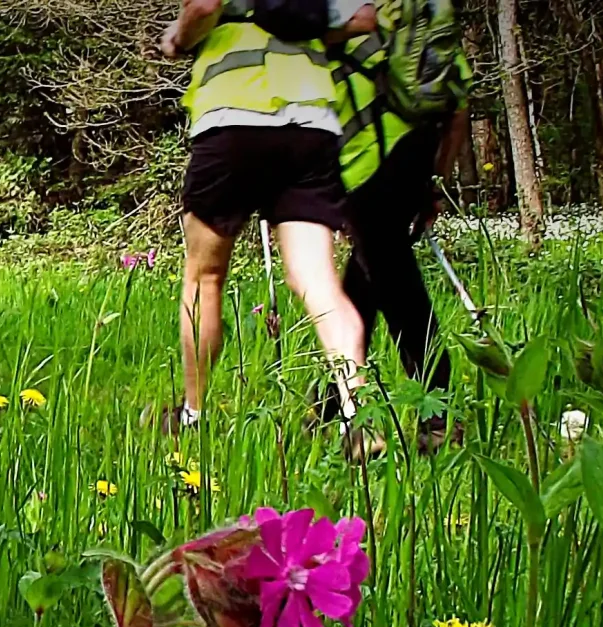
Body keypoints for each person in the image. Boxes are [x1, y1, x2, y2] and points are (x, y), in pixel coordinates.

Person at [161, 0, 368, 437]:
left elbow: (204, 6)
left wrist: (178, 38)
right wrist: (300, 26)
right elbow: (364, 18)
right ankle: (359, 419)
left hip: (233, 119)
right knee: (319, 282)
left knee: (205, 277)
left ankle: (193, 415)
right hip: (311, 125)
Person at [328, 0, 471, 450]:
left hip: (364, 161)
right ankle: (328, 403)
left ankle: (437, 410)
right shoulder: (425, 20)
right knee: (367, 277)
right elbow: (459, 111)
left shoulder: (351, 17)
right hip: (416, 155)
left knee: (394, 283)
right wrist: (432, 182)